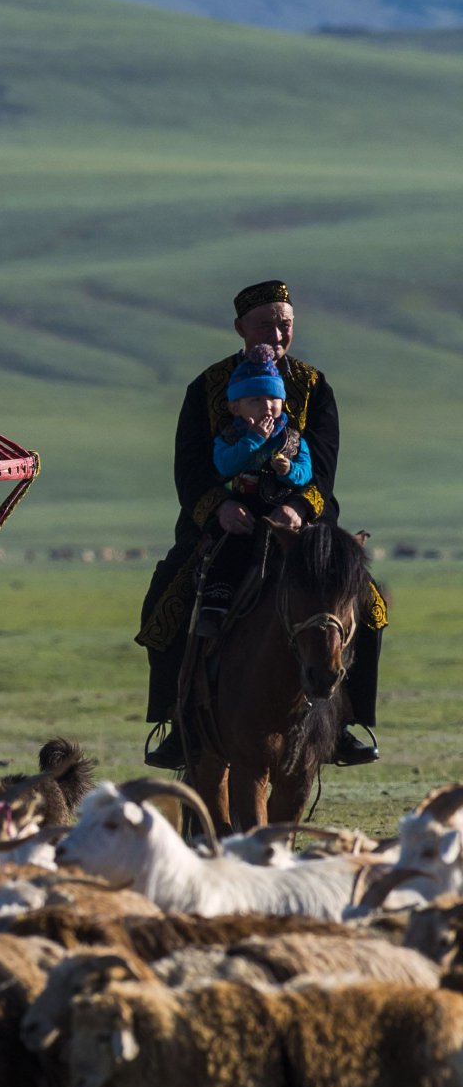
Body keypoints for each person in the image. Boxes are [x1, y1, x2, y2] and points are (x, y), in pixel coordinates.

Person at [138, 280, 380, 769]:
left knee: (369, 606)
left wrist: (299, 509)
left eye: (285, 323)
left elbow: (324, 467)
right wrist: (218, 509)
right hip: (229, 522)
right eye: (267, 323)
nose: (278, 331)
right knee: (166, 600)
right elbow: (189, 468)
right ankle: (176, 723)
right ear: (240, 329)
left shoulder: (315, 386)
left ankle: (347, 723)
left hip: (302, 528)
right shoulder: (206, 388)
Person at [192, 345, 312, 639]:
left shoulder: (293, 440)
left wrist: (290, 473)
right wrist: (254, 439)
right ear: (236, 407)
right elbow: (225, 463)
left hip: (281, 513)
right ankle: (215, 606)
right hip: (243, 513)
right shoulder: (231, 437)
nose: (267, 406)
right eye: (255, 399)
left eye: (273, 398)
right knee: (228, 548)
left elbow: (306, 471)